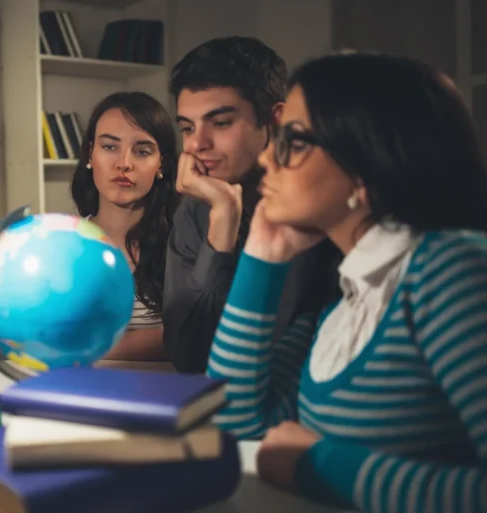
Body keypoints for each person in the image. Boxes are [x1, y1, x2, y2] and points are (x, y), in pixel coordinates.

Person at [207, 51, 487, 512]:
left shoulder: (449, 271)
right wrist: (263, 255)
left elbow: (295, 457)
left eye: (292, 142)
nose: (265, 159)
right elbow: (233, 423)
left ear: (365, 161)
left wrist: (318, 464)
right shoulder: (346, 300)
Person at [163, 36, 340, 373]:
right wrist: (223, 218)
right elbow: (188, 357)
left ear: (276, 119)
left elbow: (278, 357)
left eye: (221, 122)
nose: (198, 143)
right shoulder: (199, 206)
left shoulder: (314, 202)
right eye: (187, 127)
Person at [71, 92, 179, 362]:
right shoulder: (63, 245)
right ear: (89, 153)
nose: (124, 164)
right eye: (109, 147)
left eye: (142, 151)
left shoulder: (182, 244)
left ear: (161, 165)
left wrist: (91, 351)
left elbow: (196, 333)